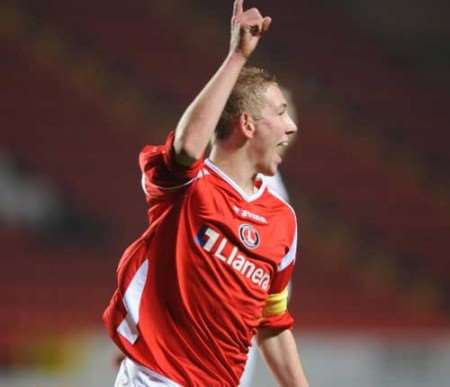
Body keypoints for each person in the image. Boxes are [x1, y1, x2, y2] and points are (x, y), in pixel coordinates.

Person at [103, 1, 309, 386]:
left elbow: (272, 320)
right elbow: (185, 148)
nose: (292, 125)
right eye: (280, 112)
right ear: (247, 124)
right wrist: (236, 57)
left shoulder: (282, 221)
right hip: (156, 379)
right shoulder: (186, 187)